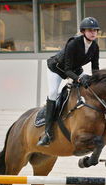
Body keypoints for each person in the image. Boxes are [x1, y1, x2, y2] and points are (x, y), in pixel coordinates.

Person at [37, 17, 100, 146]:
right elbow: (67, 70)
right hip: (57, 69)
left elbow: (95, 69)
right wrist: (79, 79)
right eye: (90, 30)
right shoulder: (74, 43)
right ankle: (47, 133)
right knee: (53, 92)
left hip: (74, 70)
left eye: (95, 30)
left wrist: (97, 80)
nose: (93, 33)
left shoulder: (95, 47)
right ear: (83, 31)